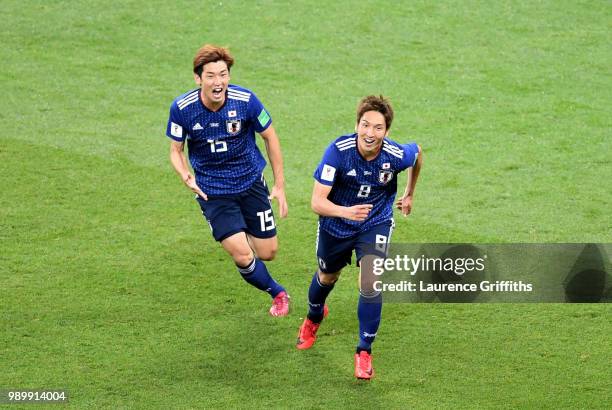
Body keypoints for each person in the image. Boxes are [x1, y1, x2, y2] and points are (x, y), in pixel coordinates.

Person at [296, 95, 422, 379]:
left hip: (374, 223)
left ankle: (364, 350)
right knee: (327, 277)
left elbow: (418, 153)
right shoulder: (337, 152)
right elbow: (317, 201)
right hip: (336, 224)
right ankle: (314, 316)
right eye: (365, 125)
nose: (370, 133)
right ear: (356, 125)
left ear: (386, 132)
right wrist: (345, 211)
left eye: (377, 128)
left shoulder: (394, 155)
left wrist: (410, 193)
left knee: (370, 282)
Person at [165, 44, 290, 316]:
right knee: (244, 255)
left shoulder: (245, 101)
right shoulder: (182, 109)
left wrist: (279, 184)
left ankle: (239, 229)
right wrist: (185, 174)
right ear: (198, 78)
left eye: (223, 74)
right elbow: (175, 150)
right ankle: (277, 293)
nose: (218, 82)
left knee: (267, 252)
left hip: (250, 184)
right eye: (211, 75)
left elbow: (270, 136)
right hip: (213, 192)